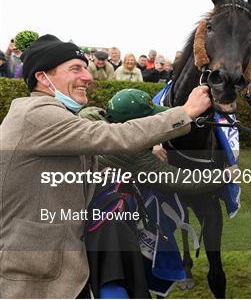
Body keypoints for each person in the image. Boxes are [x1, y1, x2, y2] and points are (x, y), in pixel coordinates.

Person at [0, 34, 211, 298]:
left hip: (56, 266)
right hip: (35, 278)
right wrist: (186, 112)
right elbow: (115, 137)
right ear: (43, 77)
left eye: (85, 68)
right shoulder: (38, 114)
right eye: (75, 69)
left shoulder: (50, 115)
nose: (87, 77)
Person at [79, 89, 225, 298]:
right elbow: (182, 182)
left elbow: (129, 133)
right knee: (117, 277)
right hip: (107, 224)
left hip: (79, 215)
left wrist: (151, 145)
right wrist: (224, 175)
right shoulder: (132, 155)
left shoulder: (89, 117)